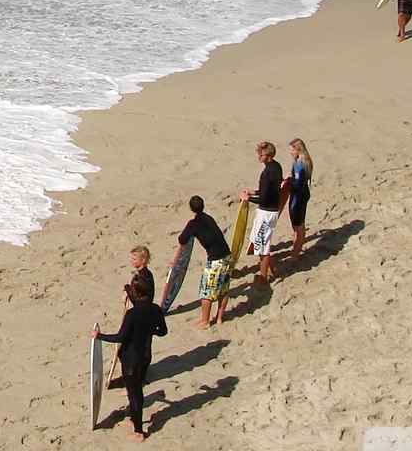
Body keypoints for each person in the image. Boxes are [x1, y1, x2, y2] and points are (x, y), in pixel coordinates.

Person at [94, 278, 167, 442]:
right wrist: (149, 331)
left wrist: (99, 336)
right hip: (145, 357)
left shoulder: (132, 314)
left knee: (135, 395)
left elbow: (120, 337)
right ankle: (135, 421)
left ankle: (139, 431)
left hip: (130, 361)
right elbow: (163, 331)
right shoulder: (155, 309)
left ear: (137, 293)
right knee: (135, 391)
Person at [175, 195, 232, 328]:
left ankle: (205, 321)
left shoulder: (193, 224)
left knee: (206, 292)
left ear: (191, 208)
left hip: (215, 260)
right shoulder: (209, 218)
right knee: (223, 289)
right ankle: (219, 319)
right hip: (227, 256)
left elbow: (182, 239)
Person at [239, 140, 284, 287]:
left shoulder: (268, 172)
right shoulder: (276, 166)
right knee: (259, 242)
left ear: (267, 155)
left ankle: (263, 278)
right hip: (271, 210)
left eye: (260, 153)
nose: (258, 156)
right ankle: (271, 270)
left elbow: (264, 197)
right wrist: (253, 192)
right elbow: (269, 190)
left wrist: (248, 198)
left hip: (266, 212)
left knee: (262, 245)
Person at [286, 138, 315, 259]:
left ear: (298, 150)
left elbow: (297, 184)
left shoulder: (300, 164)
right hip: (303, 194)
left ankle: (295, 254)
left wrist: (288, 182)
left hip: (298, 196)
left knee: (297, 225)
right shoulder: (306, 161)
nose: (290, 152)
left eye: (292, 150)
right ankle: (297, 247)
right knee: (299, 223)